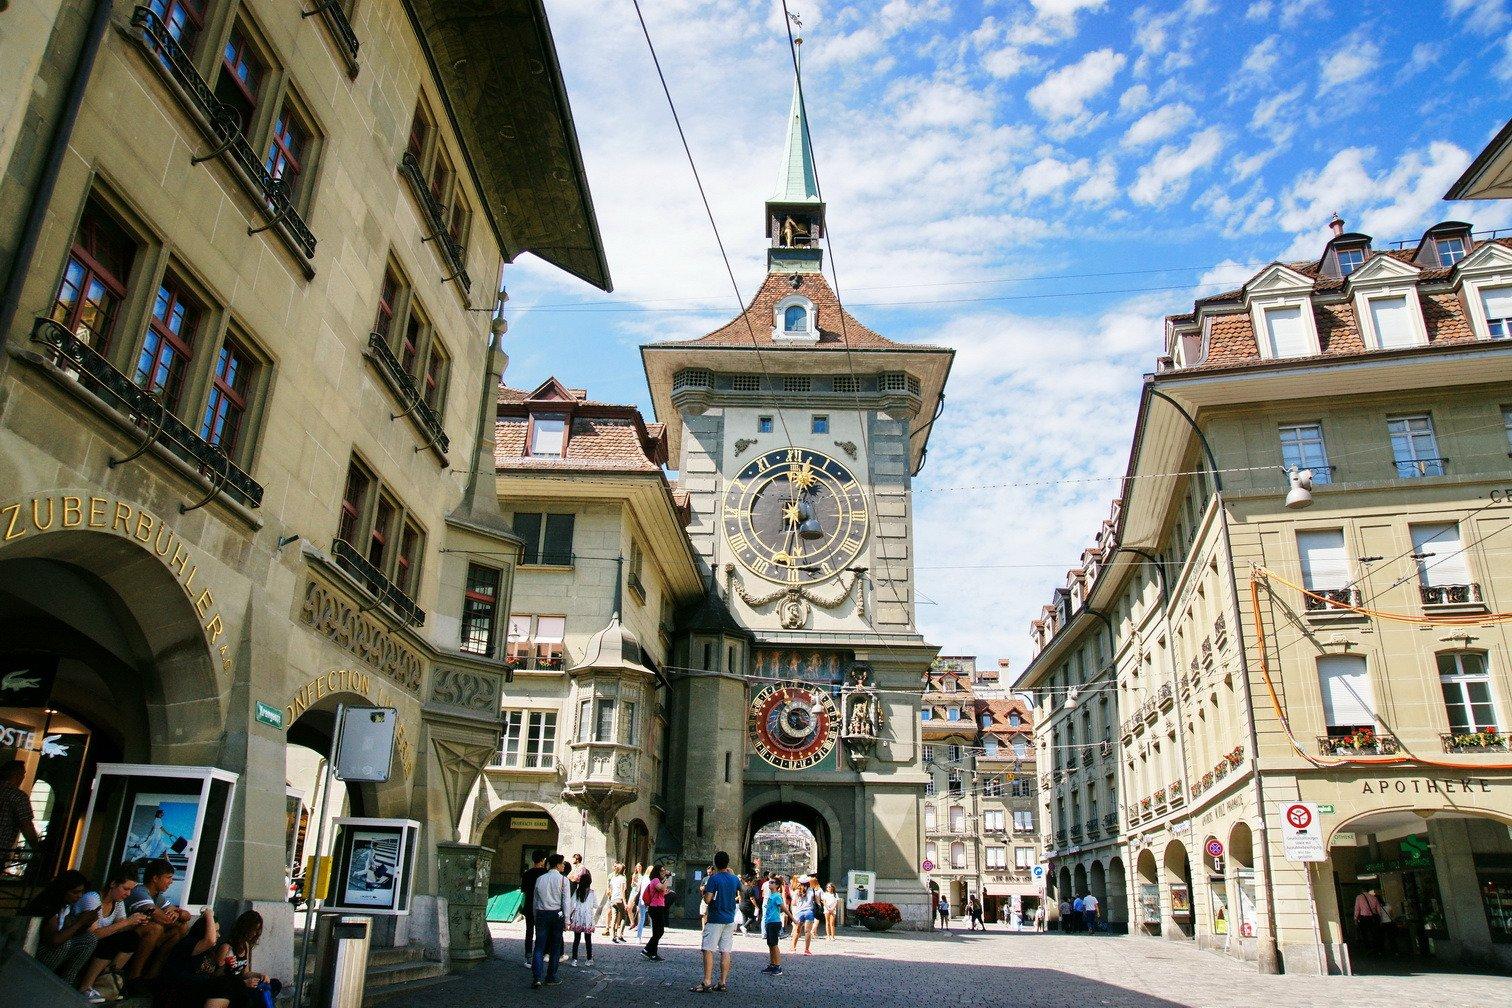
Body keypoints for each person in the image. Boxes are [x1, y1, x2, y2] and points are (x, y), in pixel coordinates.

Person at [76, 867, 152, 1004]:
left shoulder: (117, 903)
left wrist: (136, 922)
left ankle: (109, 981)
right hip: (82, 942)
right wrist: (127, 922)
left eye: (130, 890)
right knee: (110, 942)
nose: (128, 894)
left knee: (131, 938)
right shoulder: (92, 899)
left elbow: (121, 927)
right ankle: (86, 986)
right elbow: (94, 934)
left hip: (101, 942)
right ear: (113, 884)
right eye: (125, 889)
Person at [26, 869, 98, 984]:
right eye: (75, 892)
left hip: (54, 948)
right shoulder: (48, 904)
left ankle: (67, 982)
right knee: (64, 944)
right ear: (64, 891)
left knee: (89, 939)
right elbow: (55, 939)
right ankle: (41, 981)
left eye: (81, 892)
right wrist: (79, 923)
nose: (79, 896)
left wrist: (86, 923)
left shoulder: (67, 905)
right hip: (33, 951)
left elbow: (68, 931)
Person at [125, 858, 191, 984]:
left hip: (143, 937)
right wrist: (175, 914)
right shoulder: (140, 891)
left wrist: (179, 913)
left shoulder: (158, 897)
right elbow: (162, 918)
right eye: (168, 877)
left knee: (181, 927)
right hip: (126, 935)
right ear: (155, 878)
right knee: (156, 928)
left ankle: (152, 976)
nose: (171, 882)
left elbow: (186, 916)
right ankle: (134, 977)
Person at [691, 850, 740, 993]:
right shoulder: (734, 879)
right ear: (727, 863)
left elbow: (707, 899)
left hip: (715, 918)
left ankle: (707, 981)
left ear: (715, 863)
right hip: (729, 919)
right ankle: (722, 982)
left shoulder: (713, 879)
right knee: (725, 951)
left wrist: (706, 892)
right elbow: (741, 888)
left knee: (708, 949)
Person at [530, 853, 569, 989]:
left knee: (539, 946)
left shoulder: (540, 879)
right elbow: (566, 901)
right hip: (556, 915)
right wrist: (567, 920)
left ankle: (537, 978)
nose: (563, 866)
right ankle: (551, 976)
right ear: (557, 865)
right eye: (562, 863)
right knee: (555, 947)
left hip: (541, 913)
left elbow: (535, 901)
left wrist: (535, 916)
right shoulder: (564, 880)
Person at [0, 759, 41, 871]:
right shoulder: (18, 797)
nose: (23, 777)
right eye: (23, 774)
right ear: (16, 774)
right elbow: (26, 825)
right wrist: (36, 848)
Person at [520, 852, 548, 965]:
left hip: (529, 905)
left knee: (529, 931)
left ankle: (528, 956)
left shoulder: (527, 873)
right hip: (541, 906)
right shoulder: (545, 874)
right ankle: (540, 954)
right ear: (542, 860)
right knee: (541, 931)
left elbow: (523, 890)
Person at [567, 867, 598, 965]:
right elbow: (595, 905)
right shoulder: (592, 893)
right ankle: (589, 959)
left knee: (576, 940)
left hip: (578, 918)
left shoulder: (577, 892)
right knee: (588, 940)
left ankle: (574, 959)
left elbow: (572, 905)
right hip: (587, 919)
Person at [641, 864, 669, 961]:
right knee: (659, 931)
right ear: (657, 871)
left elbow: (663, 891)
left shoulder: (658, 881)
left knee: (657, 931)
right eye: (661, 870)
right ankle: (648, 949)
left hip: (659, 906)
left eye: (664, 870)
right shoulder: (655, 880)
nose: (663, 872)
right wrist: (666, 879)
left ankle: (652, 953)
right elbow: (661, 888)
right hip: (655, 907)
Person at [760, 874, 787, 975]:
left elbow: (783, 908)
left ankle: (778, 966)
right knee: (770, 944)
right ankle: (772, 964)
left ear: (777, 886)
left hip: (775, 922)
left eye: (772, 883)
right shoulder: (771, 895)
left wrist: (792, 918)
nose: (769, 884)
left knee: (774, 944)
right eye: (769, 882)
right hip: (769, 922)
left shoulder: (777, 896)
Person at [789, 877, 818, 955]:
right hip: (809, 912)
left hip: (799, 912)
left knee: (797, 931)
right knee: (807, 932)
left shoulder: (797, 891)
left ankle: (793, 948)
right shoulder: (812, 890)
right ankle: (806, 950)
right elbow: (817, 901)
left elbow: (794, 903)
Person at [1353, 886, 1383, 954]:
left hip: (1364, 918)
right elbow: (1379, 909)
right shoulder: (1374, 897)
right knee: (1374, 933)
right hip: (1373, 918)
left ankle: (1368, 948)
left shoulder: (1359, 897)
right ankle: (1377, 948)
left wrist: (1355, 918)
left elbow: (1357, 908)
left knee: (1365, 933)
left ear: (1361, 890)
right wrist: (1380, 919)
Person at [606, 863, 629, 942]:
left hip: (613, 899)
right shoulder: (623, 878)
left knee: (614, 918)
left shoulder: (613, 878)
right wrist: (625, 903)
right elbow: (623, 892)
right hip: (619, 899)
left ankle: (613, 936)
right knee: (623, 916)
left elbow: (611, 890)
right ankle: (620, 934)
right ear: (623, 870)